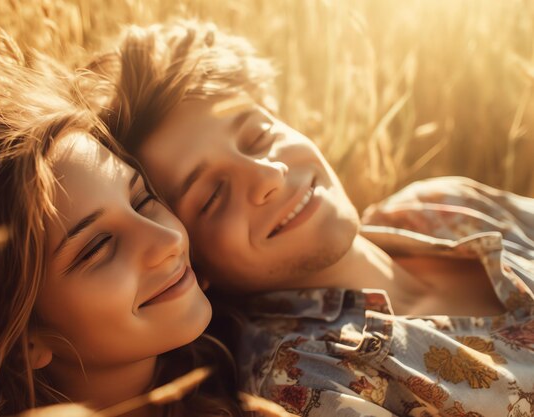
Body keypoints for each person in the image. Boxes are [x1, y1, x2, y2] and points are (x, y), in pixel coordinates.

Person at [88, 20, 534, 416]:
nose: (268, 175)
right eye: (212, 196)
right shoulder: (304, 381)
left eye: (258, 135)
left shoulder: (442, 203)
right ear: (189, 260)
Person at [0, 25, 246, 417]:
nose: (167, 240)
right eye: (98, 246)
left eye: (142, 200)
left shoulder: (251, 363)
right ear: (24, 342)